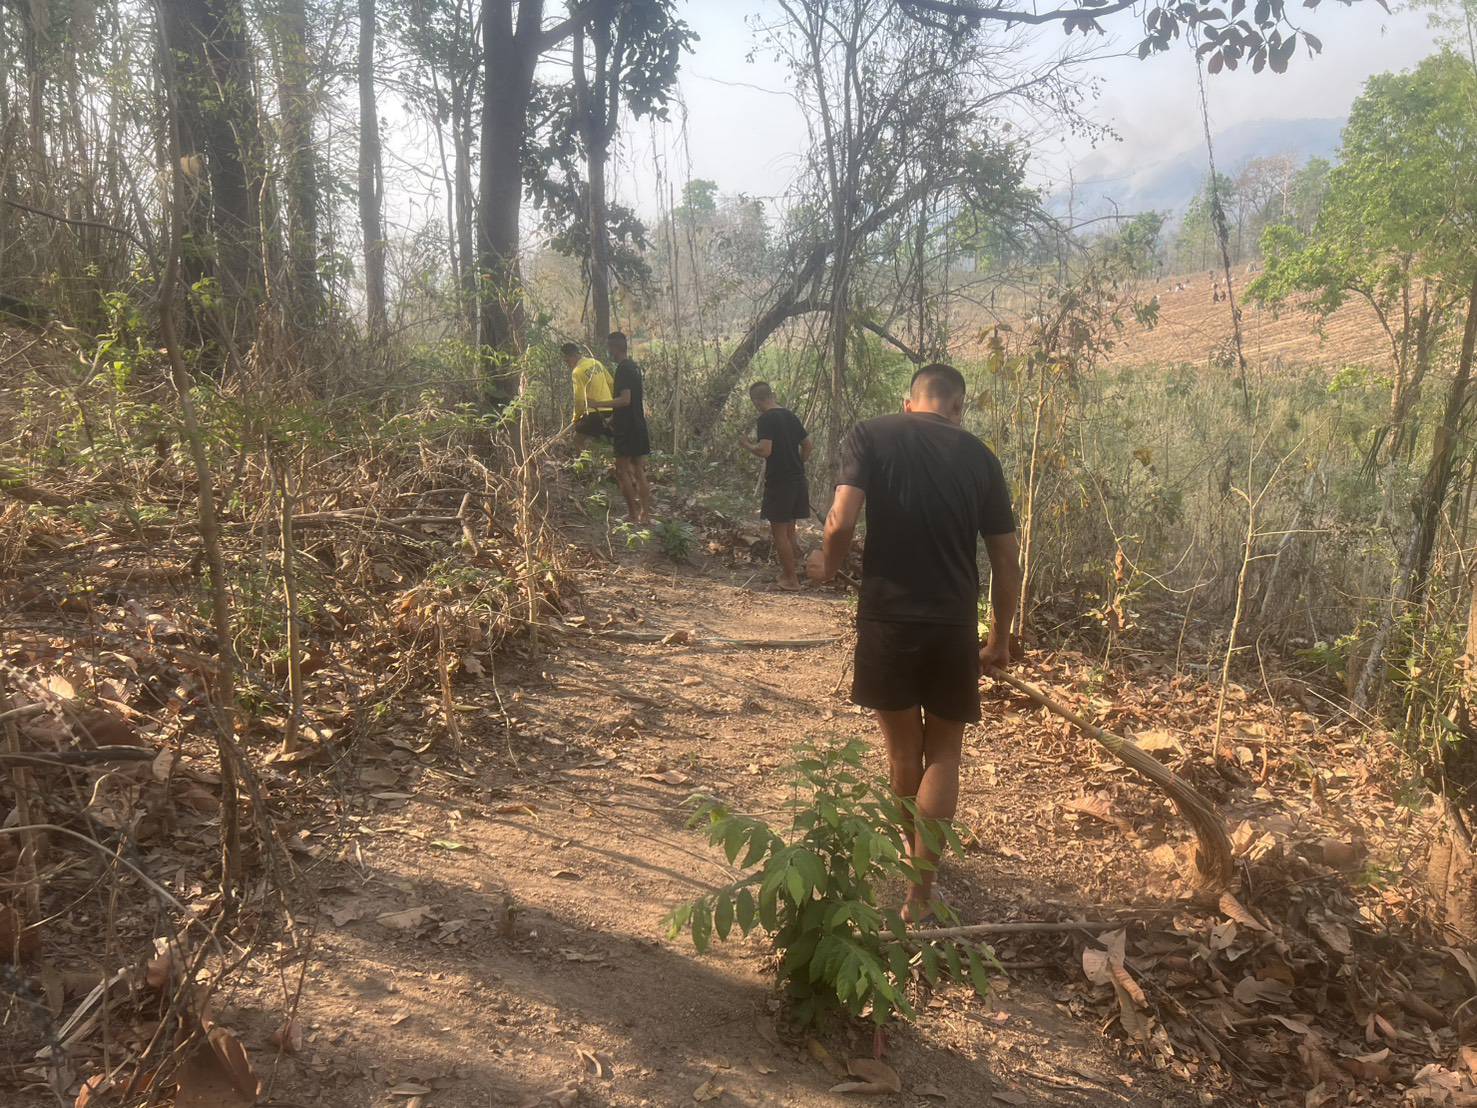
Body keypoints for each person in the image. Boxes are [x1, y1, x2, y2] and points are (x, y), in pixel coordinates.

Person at [807, 363, 1022, 924]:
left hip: (889, 617)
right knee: (945, 752)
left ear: (909, 402)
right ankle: (920, 895)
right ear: (958, 407)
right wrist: (999, 637)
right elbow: (1006, 560)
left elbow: (840, 522)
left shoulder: (871, 434)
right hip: (953, 623)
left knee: (904, 752)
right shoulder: (981, 457)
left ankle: (910, 862)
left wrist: (827, 566)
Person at [739, 382, 812, 591]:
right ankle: (794, 571)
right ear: (772, 395)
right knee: (790, 531)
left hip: (780, 482)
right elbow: (808, 445)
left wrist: (747, 445)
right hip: (798, 479)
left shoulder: (766, 419)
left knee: (779, 533)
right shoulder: (790, 416)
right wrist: (797, 463)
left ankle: (791, 580)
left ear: (756, 401)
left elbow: (765, 450)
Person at [588, 331, 651, 524]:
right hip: (638, 424)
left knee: (622, 471)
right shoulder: (634, 367)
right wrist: (613, 418)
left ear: (614, 348)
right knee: (638, 470)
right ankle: (645, 516)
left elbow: (625, 400)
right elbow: (632, 402)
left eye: (609, 348)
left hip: (627, 429)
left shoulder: (623, 369)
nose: (608, 351)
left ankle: (632, 516)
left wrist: (597, 404)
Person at [564, 341, 614, 451]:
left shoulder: (577, 371)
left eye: (567, 360)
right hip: (610, 410)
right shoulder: (596, 363)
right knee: (606, 441)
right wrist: (613, 404)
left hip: (594, 413)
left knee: (577, 439)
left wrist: (576, 418)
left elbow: (579, 399)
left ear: (571, 356)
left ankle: (584, 461)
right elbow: (611, 383)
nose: (567, 364)